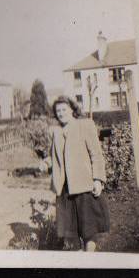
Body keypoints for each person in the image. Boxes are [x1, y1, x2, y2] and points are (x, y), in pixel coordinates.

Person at [41, 97, 110, 252]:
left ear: (72, 109)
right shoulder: (57, 132)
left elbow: (96, 154)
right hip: (65, 189)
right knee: (71, 232)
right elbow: (54, 156)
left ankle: (89, 258)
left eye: (64, 109)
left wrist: (98, 179)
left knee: (89, 229)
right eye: (58, 111)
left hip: (84, 186)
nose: (61, 113)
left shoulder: (84, 125)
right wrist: (46, 163)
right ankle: (79, 259)